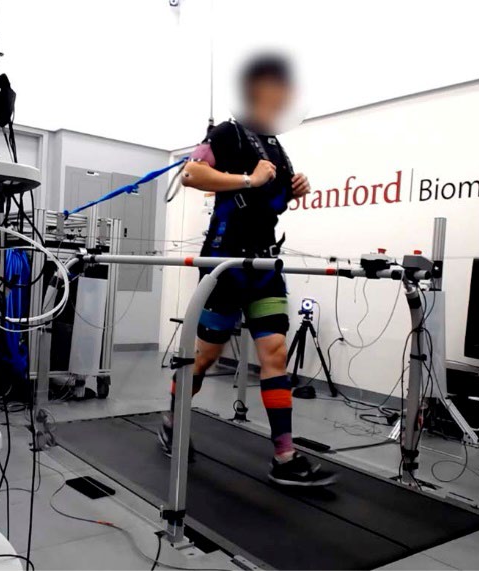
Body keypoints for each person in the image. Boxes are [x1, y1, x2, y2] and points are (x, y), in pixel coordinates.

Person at [159, 54, 337, 487]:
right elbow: (191, 174)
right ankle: (171, 419)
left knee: (275, 354)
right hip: (225, 262)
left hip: (263, 263)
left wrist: (295, 189)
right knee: (205, 355)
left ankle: (285, 456)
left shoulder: (275, 143)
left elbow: (271, 201)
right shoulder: (228, 132)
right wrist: (249, 180)